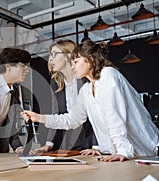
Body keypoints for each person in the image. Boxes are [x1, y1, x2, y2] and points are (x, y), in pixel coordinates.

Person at [22, 40, 159, 162]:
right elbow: (72, 119)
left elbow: (114, 116)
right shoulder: (87, 89)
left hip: (144, 152)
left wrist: (122, 151)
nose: (73, 66)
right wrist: (39, 117)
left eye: (76, 62)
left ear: (90, 59)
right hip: (122, 155)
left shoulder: (108, 75)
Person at [34, 39, 95, 154]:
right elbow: (55, 113)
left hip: (89, 142)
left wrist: (96, 145)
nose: (50, 59)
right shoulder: (56, 82)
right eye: (50, 55)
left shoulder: (85, 79)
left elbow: (96, 115)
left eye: (55, 54)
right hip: (66, 143)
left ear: (68, 55)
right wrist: (48, 143)